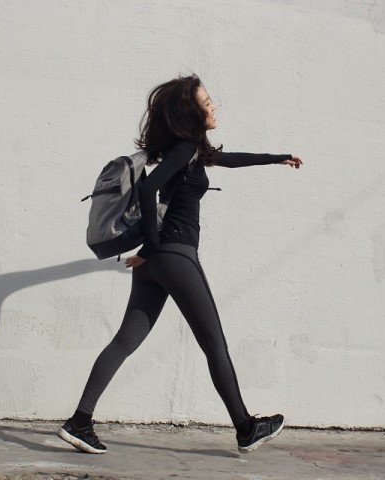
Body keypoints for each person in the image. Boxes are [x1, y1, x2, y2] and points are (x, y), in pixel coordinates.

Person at [58, 74, 303, 454]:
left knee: (125, 340)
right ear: (190, 112)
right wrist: (152, 247)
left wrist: (276, 158)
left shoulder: (187, 150)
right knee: (214, 343)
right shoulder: (185, 146)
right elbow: (147, 188)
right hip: (175, 255)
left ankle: (79, 422)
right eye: (207, 102)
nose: (214, 106)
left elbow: (228, 159)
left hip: (154, 262)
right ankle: (246, 428)